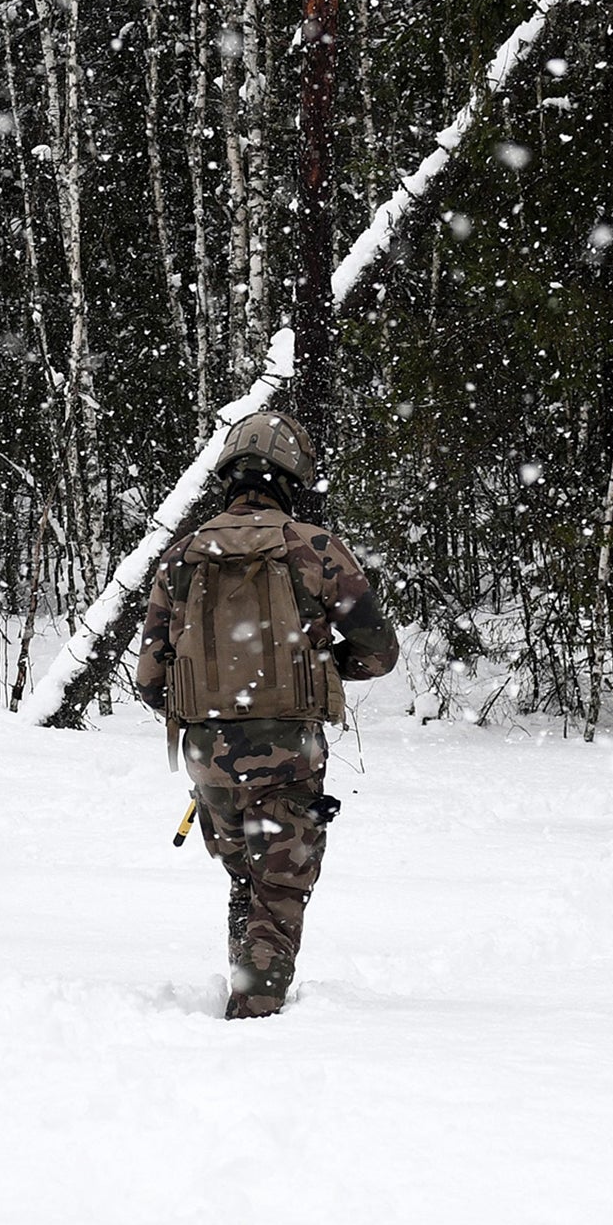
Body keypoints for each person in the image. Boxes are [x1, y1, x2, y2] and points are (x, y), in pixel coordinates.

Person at [134, 410, 400, 1018]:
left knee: (245, 881)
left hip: (207, 755)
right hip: (288, 750)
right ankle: (255, 1023)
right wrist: (322, 668)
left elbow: (151, 678)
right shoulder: (316, 550)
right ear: (291, 477)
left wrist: (213, 709)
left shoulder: (181, 557)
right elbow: (379, 653)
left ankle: (246, 988)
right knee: (278, 890)